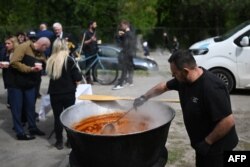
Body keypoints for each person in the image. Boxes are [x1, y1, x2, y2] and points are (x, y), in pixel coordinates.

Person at [133, 50, 238, 167]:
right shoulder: (183, 80)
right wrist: (144, 97)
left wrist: (207, 142)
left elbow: (228, 121)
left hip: (217, 148)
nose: (173, 76)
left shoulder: (211, 87)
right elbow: (163, 86)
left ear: (185, 71)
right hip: (202, 144)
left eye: (174, 74)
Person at [8, 37, 50, 140]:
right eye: (46, 48)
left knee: (31, 107)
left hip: (30, 84)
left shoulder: (40, 53)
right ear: (43, 45)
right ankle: (20, 133)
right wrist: (29, 69)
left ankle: (32, 128)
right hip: (16, 83)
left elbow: (45, 64)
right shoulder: (24, 47)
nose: (46, 50)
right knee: (17, 108)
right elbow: (13, 62)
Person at [46, 38, 82, 150]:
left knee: (57, 117)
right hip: (68, 93)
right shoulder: (69, 60)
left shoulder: (50, 60)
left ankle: (59, 142)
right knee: (68, 118)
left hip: (55, 93)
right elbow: (78, 78)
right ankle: (70, 141)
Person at [113, 20, 136, 90]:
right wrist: (120, 35)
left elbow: (125, 43)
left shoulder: (128, 33)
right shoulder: (130, 33)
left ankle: (120, 84)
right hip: (130, 53)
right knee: (130, 67)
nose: (121, 27)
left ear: (126, 25)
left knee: (124, 68)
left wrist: (120, 35)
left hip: (127, 53)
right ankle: (130, 81)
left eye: (122, 25)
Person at [0, 36, 19, 108]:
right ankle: (10, 102)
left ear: (14, 43)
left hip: (16, 75)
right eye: (5, 43)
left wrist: (10, 65)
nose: (6, 45)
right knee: (10, 89)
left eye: (8, 43)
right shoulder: (3, 51)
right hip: (7, 74)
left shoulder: (18, 52)